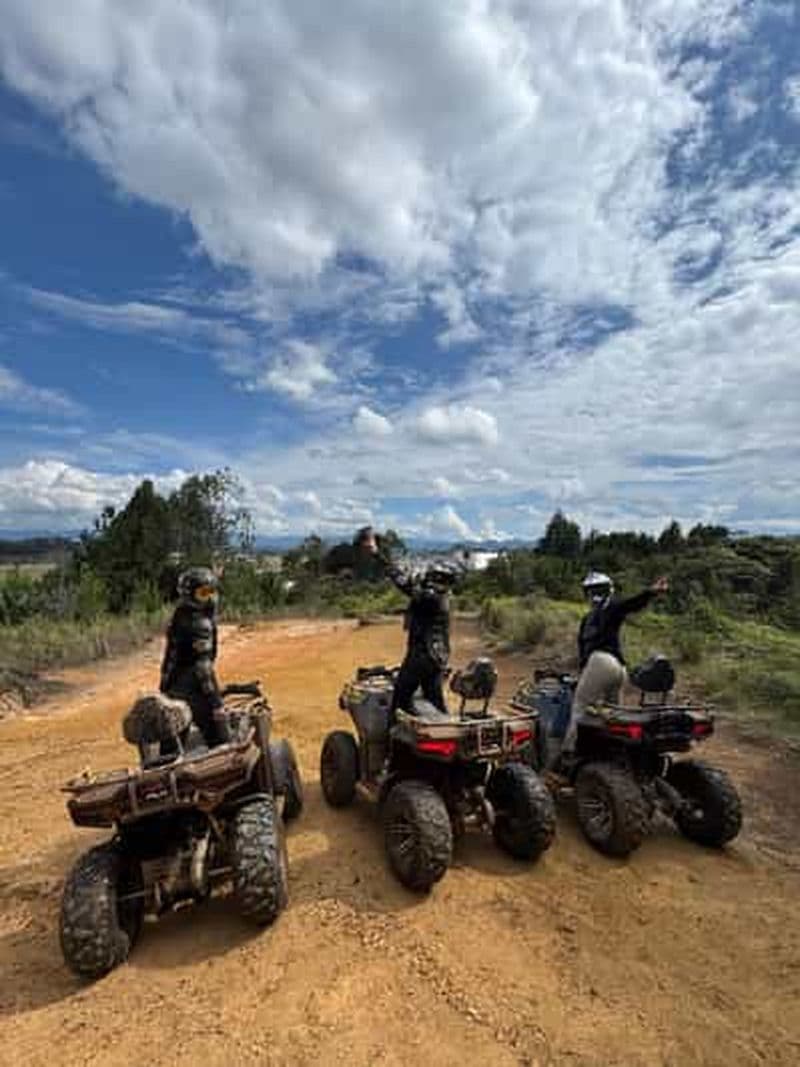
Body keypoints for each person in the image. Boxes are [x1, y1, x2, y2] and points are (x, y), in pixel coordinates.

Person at [560, 570, 669, 758]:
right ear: (609, 589)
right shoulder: (610, 608)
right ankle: (615, 753)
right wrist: (651, 592)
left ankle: (568, 755)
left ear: (587, 593)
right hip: (619, 667)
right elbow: (630, 605)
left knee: (581, 707)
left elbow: (583, 653)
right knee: (614, 713)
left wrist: (651, 592)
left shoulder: (590, 618)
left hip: (599, 663)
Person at [358, 527, 461, 718]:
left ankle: (392, 745)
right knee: (434, 700)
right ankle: (448, 735)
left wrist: (376, 553)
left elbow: (401, 580)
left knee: (399, 701)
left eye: (430, 575)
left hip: (421, 656)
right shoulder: (444, 598)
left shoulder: (430, 597)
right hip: (438, 658)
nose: (426, 577)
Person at [159, 566, 224, 747]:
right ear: (190, 596)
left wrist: (164, 691)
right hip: (194, 690)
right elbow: (203, 668)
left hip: (172, 690)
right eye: (204, 593)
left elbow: (169, 660)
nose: (210, 598)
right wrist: (216, 702)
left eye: (211, 592)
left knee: (170, 748)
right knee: (220, 739)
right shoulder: (201, 625)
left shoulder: (178, 617)